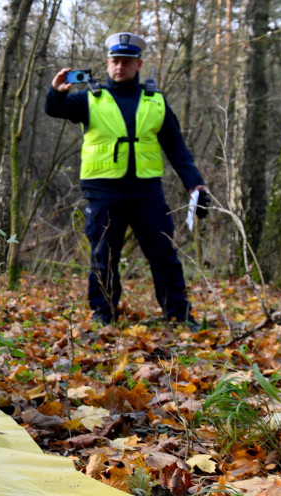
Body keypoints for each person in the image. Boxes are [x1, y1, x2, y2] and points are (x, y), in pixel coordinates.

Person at [45, 32, 209, 327]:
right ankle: (103, 315)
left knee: (163, 254)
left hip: (147, 191)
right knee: (103, 256)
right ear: (107, 64)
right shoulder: (89, 99)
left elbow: (175, 146)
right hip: (103, 191)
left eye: (126, 61)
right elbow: (55, 109)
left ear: (138, 64)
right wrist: (56, 91)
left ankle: (179, 315)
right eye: (115, 61)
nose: (120, 66)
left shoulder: (155, 101)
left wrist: (194, 182)